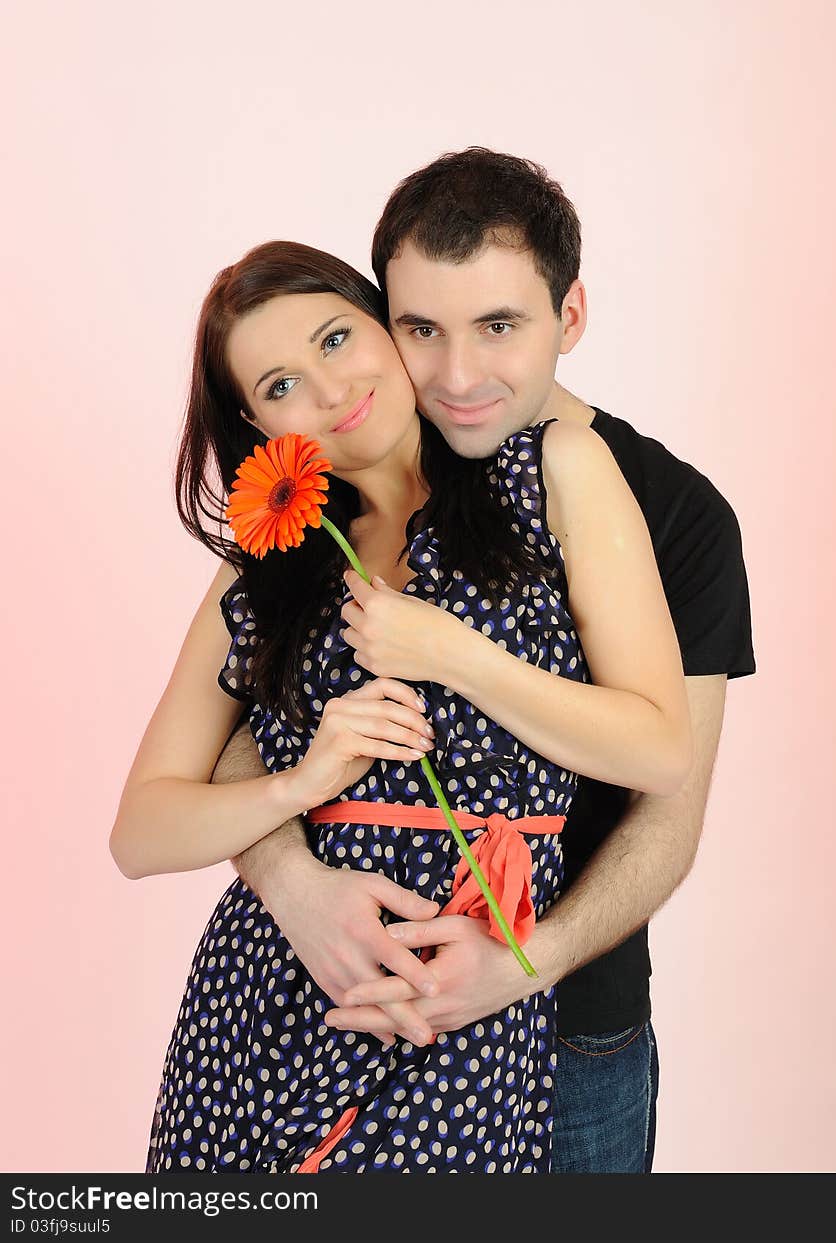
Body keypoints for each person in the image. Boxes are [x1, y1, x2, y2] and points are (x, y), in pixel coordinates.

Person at [216, 149, 755, 1174]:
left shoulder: (673, 512)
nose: (458, 377)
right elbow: (251, 739)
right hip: (349, 999)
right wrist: (291, 883)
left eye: (500, 326)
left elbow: (667, 810)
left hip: (572, 1028)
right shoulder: (354, 473)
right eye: (421, 329)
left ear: (572, 314)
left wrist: (517, 967)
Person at [110, 235, 691, 1173]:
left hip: (463, 1016)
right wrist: (298, 787)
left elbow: (661, 751)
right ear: (262, 428)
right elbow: (139, 833)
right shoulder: (264, 567)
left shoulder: (551, 472)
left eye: (337, 339)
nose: (331, 391)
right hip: (270, 1005)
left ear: (386, 323)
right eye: (281, 385)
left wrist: (452, 654)